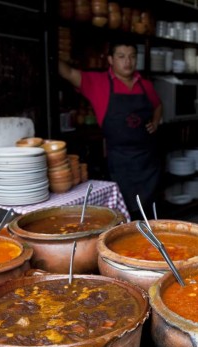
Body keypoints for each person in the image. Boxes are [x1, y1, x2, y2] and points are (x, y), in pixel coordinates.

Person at [59, 39, 163, 218]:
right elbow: (67, 72)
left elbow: (158, 105)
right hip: (120, 162)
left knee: (151, 214)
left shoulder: (145, 85)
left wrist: (155, 121)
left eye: (132, 57)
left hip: (148, 160)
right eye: (121, 57)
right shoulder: (98, 83)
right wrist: (50, 50)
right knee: (125, 216)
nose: (127, 62)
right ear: (110, 60)